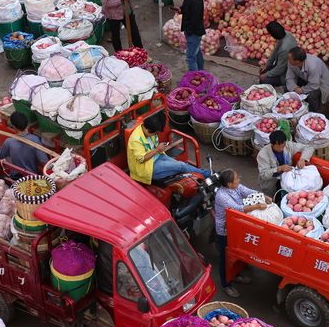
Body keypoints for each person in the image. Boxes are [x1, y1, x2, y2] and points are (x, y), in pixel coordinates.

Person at [213, 169, 266, 298]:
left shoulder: (236, 187)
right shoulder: (222, 196)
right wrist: (257, 206)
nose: (239, 180)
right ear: (229, 184)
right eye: (236, 179)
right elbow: (238, 209)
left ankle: (236, 274)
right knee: (225, 258)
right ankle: (226, 285)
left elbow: (248, 192)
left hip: (237, 226)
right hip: (225, 230)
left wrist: (263, 196)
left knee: (238, 252)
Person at [126, 111, 210, 186]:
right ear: (148, 130)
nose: (156, 135)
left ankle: (203, 174)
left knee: (183, 165)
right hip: (147, 169)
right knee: (182, 166)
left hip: (158, 157)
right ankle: (208, 174)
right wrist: (157, 150)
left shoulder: (147, 130)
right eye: (155, 133)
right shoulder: (136, 140)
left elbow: (154, 146)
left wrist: (160, 149)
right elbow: (141, 159)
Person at [256, 130, 313, 197]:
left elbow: (309, 148)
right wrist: (279, 168)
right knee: (274, 198)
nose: (281, 149)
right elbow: (264, 175)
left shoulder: (288, 145)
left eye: (283, 146)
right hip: (271, 182)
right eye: (279, 147)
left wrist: (302, 159)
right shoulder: (263, 155)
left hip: (287, 178)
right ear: (272, 144)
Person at [0, 112, 48, 177]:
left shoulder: (9, 142)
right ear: (27, 124)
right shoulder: (35, 139)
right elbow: (44, 160)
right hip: (32, 176)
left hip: (16, 177)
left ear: (13, 126)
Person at [285, 47, 329, 113]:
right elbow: (289, 77)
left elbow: (314, 85)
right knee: (287, 88)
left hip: (321, 83)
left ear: (297, 61)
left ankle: (314, 113)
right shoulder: (291, 62)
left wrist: (302, 90)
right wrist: (294, 87)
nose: (288, 59)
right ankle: (291, 108)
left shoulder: (313, 65)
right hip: (307, 79)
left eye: (290, 59)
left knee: (311, 96)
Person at [176, 0, 205, 71]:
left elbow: (195, 20)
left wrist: (188, 31)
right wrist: (181, 9)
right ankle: (201, 71)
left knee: (190, 57)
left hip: (194, 32)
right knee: (197, 53)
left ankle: (194, 77)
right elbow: (188, 9)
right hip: (192, 31)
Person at [260, 21, 296, 87]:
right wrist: (267, 65)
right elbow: (275, 51)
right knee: (263, 71)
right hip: (282, 65)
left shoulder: (285, 49)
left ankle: (268, 93)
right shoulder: (285, 34)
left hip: (287, 73)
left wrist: (266, 75)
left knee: (264, 80)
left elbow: (280, 69)